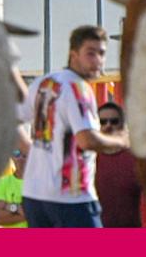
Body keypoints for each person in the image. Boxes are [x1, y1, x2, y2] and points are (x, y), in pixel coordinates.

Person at [19, 26, 130, 228]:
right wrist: (123, 139)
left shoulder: (45, 82)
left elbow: (14, 120)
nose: (97, 60)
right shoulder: (78, 88)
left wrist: (30, 148)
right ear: (73, 55)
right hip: (71, 196)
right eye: (90, 53)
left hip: (34, 195)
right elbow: (87, 140)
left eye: (102, 53)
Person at [95, 101, 144, 227]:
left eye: (114, 121)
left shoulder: (137, 159)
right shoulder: (85, 160)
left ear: (123, 126)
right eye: (102, 122)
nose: (108, 126)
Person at [0, 157, 27, 228]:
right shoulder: (1, 182)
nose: (21, 158)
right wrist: (17, 208)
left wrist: (7, 206)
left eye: (26, 155)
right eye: (17, 153)